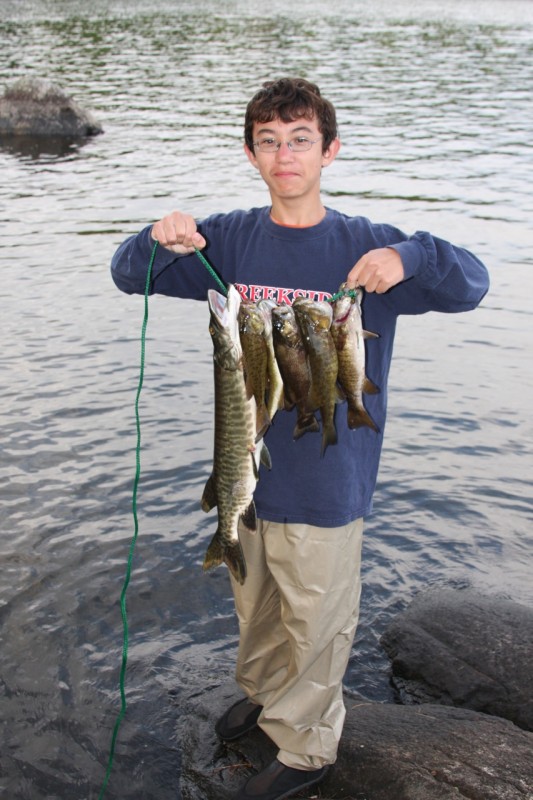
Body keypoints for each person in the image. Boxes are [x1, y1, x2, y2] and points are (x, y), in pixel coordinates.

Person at [111, 77, 489, 800]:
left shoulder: (367, 249)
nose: (284, 155)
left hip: (325, 477)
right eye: (269, 142)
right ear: (251, 153)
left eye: (300, 140)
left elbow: (471, 284)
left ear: (329, 150)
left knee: (316, 615)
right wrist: (155, 236)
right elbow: (129, 273)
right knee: (256, 606)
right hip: (244, 466)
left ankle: (307, 746)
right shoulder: (226, 239)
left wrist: (411, 257)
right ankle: (263, 695)